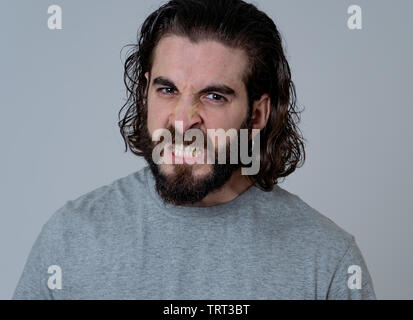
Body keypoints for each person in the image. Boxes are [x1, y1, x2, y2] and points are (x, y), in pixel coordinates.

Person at [13, 0, 376, 299]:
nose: (183, 122)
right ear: (144, 94)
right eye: (167, 90)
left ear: (257, 114)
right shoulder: (72, 237)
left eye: (214, 96)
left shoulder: (327, 262)